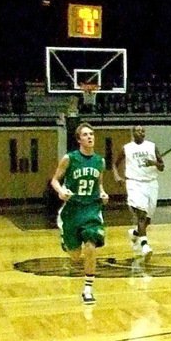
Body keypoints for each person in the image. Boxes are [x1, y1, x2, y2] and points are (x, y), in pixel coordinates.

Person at [51, 121, 109, 304]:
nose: (89, 137)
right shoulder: (69, 158)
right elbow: (54, 180)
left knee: (91, 247)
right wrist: (61, 191)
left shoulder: (100, 161)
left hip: (91, 208)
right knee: (75, 255)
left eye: (91, 134)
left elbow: (99, 184)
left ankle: (88, 289)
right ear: (78, 139)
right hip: (72, 209)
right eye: (85, 134)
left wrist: (103, 193)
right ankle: (65, 240)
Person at [113, 124, 163, 256]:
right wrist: (117, 176)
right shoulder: (126, 148)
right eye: (138, 131)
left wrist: (153, 163)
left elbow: (162, 166)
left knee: (148, 219)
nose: (141, 133)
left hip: (151, 183)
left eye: (143, 131)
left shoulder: (152, 146)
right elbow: (115, 163)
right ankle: (145, 245)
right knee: (141, 214)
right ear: (133, 133)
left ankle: (135, 233)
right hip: (134, 183)